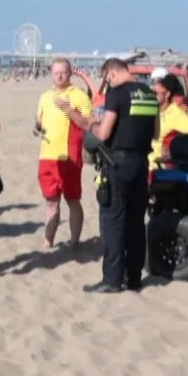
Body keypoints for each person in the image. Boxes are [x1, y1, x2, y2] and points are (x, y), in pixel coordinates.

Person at [65, 57, 157, 294]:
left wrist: (92, 125)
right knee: (136, 222)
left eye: (106, 78)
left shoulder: (116, 94)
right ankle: (134, 278)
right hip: (141, 163)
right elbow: (155, 132)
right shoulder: (148, 93)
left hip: (118, 164)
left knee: (113, 222)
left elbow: (104, 134)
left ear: (111, 73)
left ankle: (112, 280)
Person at [34, 57, 91, 250]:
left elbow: (86, 123)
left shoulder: (79, 95)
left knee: (73, 201)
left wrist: (67, 109)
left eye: (63, 72)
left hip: (70, 156)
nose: (59, 76)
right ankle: (48, 240)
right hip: (47, 156)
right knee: (51, 202)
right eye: (55, 72)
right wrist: (37, 128)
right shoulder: (45, 96)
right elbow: (40, 123)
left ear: (70, 73)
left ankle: (74, 242)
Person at [150, 74, 188, 169]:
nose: (153, 95)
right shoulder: (151, 111)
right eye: (151, 93)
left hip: (159, 168)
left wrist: (172, 151)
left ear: (167, 94)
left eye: (156, 93)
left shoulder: (175, 114)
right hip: (144, 163)